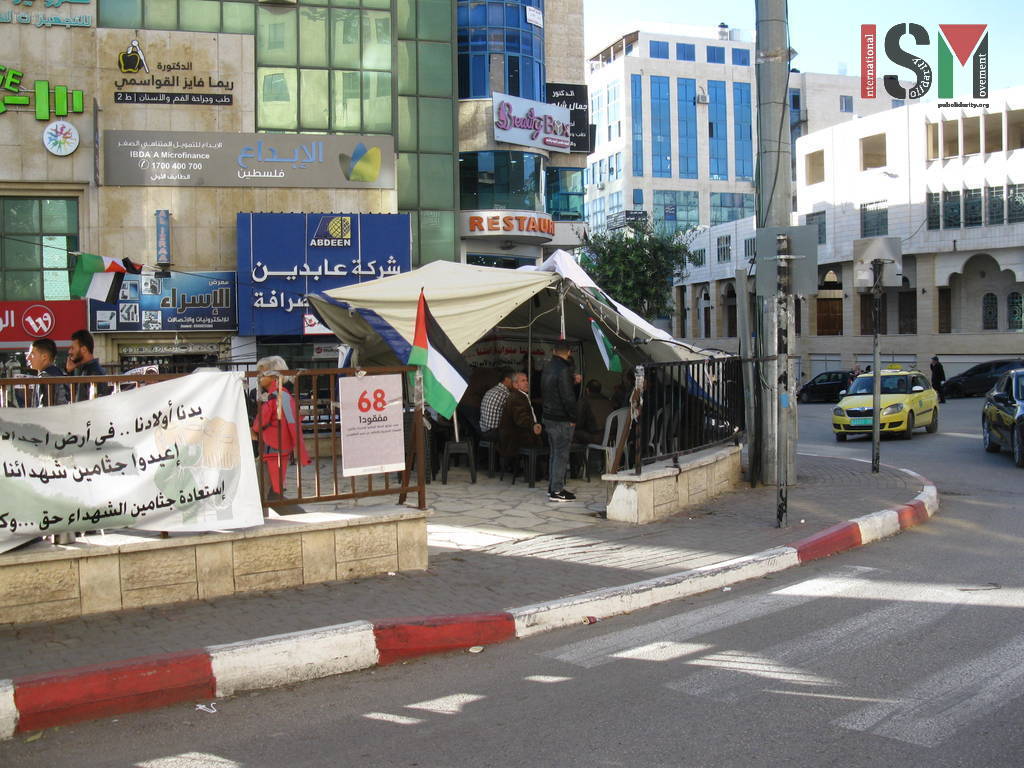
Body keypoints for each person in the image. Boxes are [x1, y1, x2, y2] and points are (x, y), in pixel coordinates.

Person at [250, 357, 311, 503]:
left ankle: (272, 505)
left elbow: (262, 421)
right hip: (280, 446)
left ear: (274, 376)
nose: (258, 377)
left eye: (262, 373)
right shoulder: (282, 395)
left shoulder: (276, 397)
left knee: (268, 484)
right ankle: (275, 501)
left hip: (273, 446)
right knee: (274, 482)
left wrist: (254, 428)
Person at [541, 342, 578, 502]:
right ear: (569, 352)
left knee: (554, 453)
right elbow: (568, 397)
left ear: (554, 351)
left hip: (548, 416)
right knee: (561, 455)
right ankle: (557, 490)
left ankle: (552, 488)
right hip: (561, 418)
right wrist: (573, 417)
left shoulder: (548, 367)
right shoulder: (564, 370)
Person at [498, 371, 542, 462]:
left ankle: (539, 471)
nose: (527, 383)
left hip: (516, 435)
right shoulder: (516, 398)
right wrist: (533, 425)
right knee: (549, 439)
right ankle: (538, 473)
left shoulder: (520, 395)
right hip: (514, 439)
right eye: (523, 381)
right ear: (515, 384)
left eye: (526, 380)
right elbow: (521, 419)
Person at [65, 329, 112, 401]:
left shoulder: (92, 373)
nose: (70, 351)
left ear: (84, 349)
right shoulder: (89, 370)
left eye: (72, 348)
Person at [27, 338, 69, 407]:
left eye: (32, 354)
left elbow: (43, 408)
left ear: (44, 357)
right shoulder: (60, 373)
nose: (27, 358)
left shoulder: (45, 377)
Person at [574, 379, 615, 445]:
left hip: (597, 438)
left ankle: (584, 455)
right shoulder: (608, 401)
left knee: (573, 432)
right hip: (612, 437)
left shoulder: (584, 401)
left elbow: (579, 423)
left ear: (587, 390)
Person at [479, 369, 513, 440]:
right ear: (506, 379)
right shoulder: (505, 394)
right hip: (494, 432)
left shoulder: (491, 390)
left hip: (484, 429)